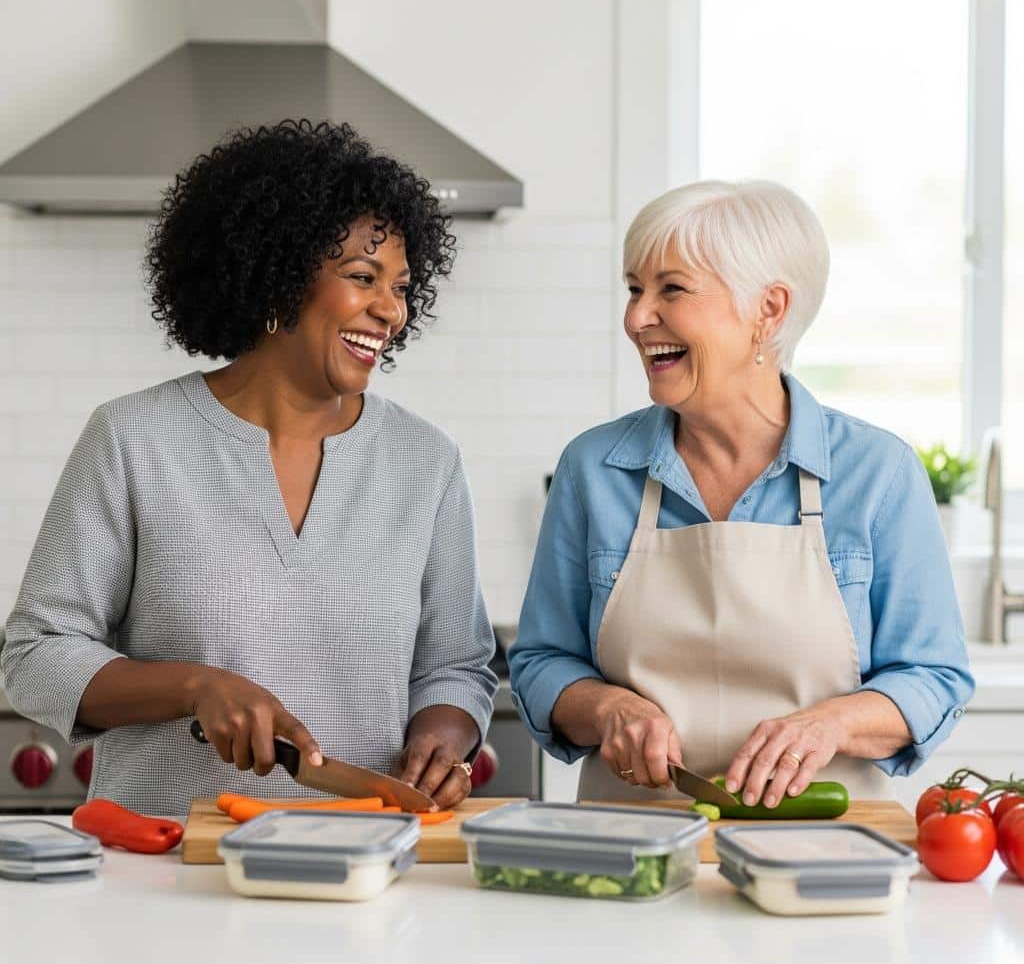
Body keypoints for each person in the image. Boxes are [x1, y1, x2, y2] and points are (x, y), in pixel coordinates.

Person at [2, 120, 496, 816]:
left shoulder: (426, 461)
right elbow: (34, 655)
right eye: (362, 278)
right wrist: (193, 688)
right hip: (164, 871)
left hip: (364, 864)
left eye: (400, 286)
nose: (390, 310)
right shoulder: (134, 438)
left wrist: (443, 738)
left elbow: (456, 665)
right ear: (277, 276)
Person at [509, 179, 973, 804]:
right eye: (634, 289)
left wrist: (830, 724)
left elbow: (935, 676)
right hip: (635, 850)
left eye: (671, 289)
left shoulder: (878, 473)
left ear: (769, 310)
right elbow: (540, 662)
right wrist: (608, 707)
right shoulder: (593, 469)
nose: (637, 317)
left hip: (825, 852)